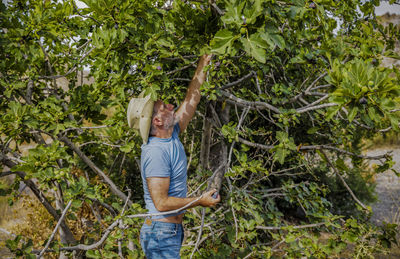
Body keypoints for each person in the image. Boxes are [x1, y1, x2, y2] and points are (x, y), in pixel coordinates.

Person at [127, 54, 220, 258]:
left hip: (168, 232)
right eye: (164, 107)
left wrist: (203, 64)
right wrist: (198, 201)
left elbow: (191, 100)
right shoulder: (156, 152)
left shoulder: (171, 134)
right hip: (161, 234)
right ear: (158, 122)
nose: (171, 106)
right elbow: (161, 203)